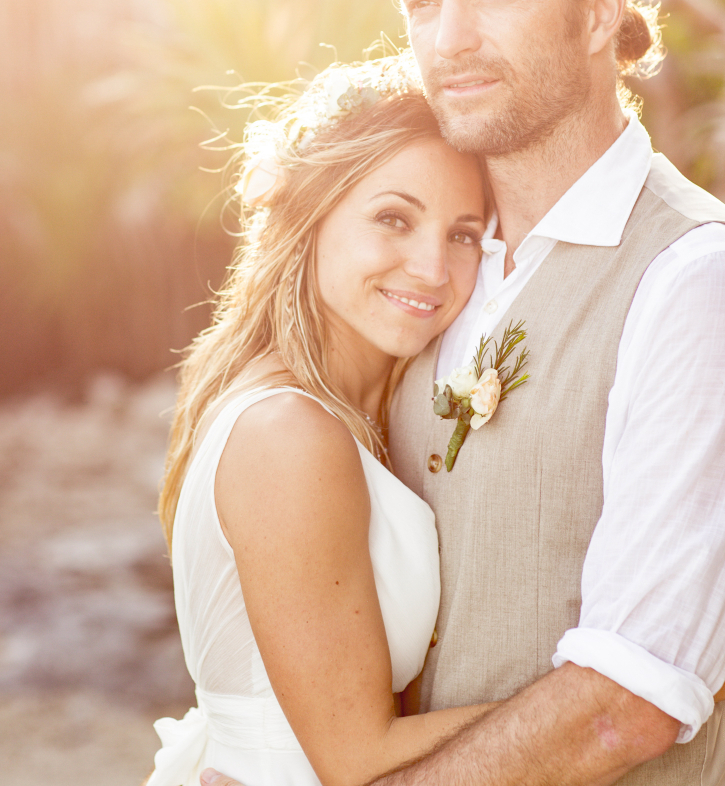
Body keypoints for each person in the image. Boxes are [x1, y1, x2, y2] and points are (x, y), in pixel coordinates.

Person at [198, 0, 725, 786]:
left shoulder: (696, 280)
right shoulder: (430, 273)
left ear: (599, 11)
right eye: (423, 3)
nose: (447, 38)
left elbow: (629, 708)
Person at [147, 56, 502, 786]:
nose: (433, 268)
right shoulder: (289, 434)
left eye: (464, 233)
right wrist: (610, 696)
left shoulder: (353, 415)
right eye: (393, 219)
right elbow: (355, 755)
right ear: (311, 216)